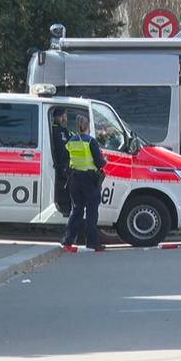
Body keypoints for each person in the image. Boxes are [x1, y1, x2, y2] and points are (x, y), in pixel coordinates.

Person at [61, 115, 107, 253]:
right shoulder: (91, 141)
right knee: (92, 211)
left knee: (76, 210)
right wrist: (105, 160)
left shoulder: (70, 141)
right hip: (89, 180)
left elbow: (65, 160)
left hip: (75, 179)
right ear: (87, 126)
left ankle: (68, 241)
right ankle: (92, 243)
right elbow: (100, 163)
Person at [50, 108, 74, 216]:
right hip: (60, 166)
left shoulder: (64, 130)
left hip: (65, 166)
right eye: (62, 116)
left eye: (65, 116)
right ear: (56, 117)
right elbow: (61, 150)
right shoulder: (56, 130)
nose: (65, 119)